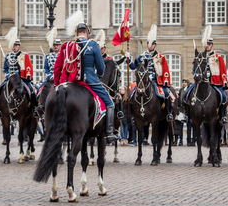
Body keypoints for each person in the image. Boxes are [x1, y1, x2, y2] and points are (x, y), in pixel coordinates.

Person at [54, 11, 119, 143]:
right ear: (87, 32)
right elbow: (101, 68)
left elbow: (57, 68)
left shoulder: (67, 46)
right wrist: (99, 75)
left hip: (70, 82)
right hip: (90, 82)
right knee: (110, 103)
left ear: (76, 32)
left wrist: (57, 85)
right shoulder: (93, 45)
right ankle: (109, 132)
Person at [128, 24, 175, 121]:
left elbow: (165, 71)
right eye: (149, 43)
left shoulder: (160, 57)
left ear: (155, 45)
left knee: (166, 93)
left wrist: (155, 77)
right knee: (132, 93)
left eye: (153, 44)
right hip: (142, 80)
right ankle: (133, 115)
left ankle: (169, 113)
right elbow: (134, 67)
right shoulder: (142, 55)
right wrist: (128, 60)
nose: (151, 46)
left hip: (155, 81)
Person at [1, 28, 37, 117]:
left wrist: (18, 74)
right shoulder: (8, 56)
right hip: (10, 79)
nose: (15, 47)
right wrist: (8, 75)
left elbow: (28, 67)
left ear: (19, 46)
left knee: (31, 90)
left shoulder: (23, 55)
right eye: (13, 45)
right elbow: (5, 69)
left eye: (16, 45)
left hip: (21, 79)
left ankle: (34, 107)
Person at [38, 27, 60, 115]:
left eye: (57, 45)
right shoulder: (48, 56)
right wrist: (49, 75)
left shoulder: (63, 55)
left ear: (59, 46)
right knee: (40, 90)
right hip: (50, 78)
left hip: (60, 78)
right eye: (54, 45)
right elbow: (45, 69)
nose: (55, 46)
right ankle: (41, 106)